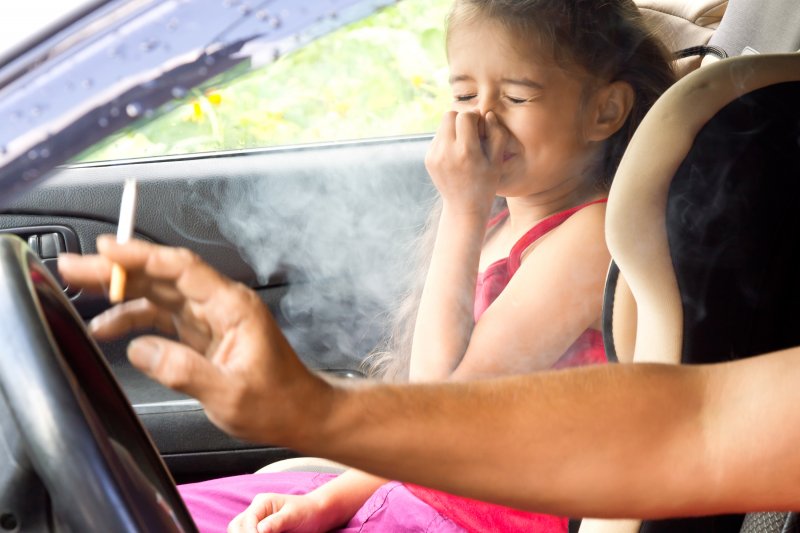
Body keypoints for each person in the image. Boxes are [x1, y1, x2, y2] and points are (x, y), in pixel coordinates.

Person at [59, 0, 674, 531]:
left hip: (470, 520)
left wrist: (463, 208)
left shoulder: (588, 238)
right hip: (414, 492)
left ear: (605, 112)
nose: (480, 118)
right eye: (463, 94)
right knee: (147, 508)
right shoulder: (501, 221)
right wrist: (328, 499)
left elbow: (443, 409)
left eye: (515, 97)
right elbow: (416, 427)